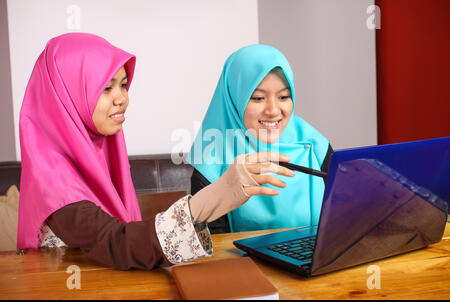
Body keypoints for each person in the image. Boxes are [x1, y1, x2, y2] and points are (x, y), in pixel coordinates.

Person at [16, 33, 293, 270]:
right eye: (106, 87)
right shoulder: (53, 182)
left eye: (123, 84)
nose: (122, 98)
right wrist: (211, 199)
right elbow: (117, 242)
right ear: (66, 95)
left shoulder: (97, 153)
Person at [188, 44, 333, 234]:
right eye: (257, 98)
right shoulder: (212, 160)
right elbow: (214, 247)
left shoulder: (316, 146)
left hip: (317, 260)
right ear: (234, 99)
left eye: (283, 97)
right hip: (244, 263)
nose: (273, 111)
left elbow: (345, 217)